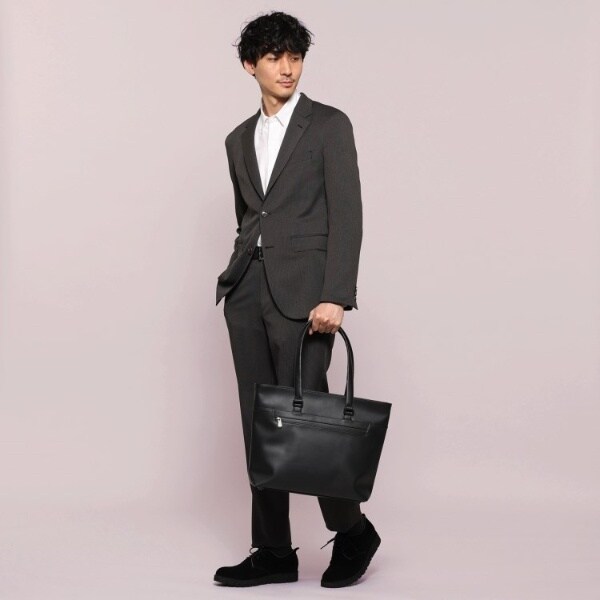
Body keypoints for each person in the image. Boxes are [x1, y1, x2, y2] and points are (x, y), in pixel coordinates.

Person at [213, 11, 380, 588]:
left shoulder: (329, 125)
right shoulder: (237, 139)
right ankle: (273, 551)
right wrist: (236, 278)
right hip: (247, 291)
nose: (287, 68)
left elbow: (348, 214)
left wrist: (336, 294)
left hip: (306, 299)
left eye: (295, 56)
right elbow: (249, 217)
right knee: (258, 423)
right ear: (249, 65)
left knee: (311, 424)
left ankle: (353, 532)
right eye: (274, 57)